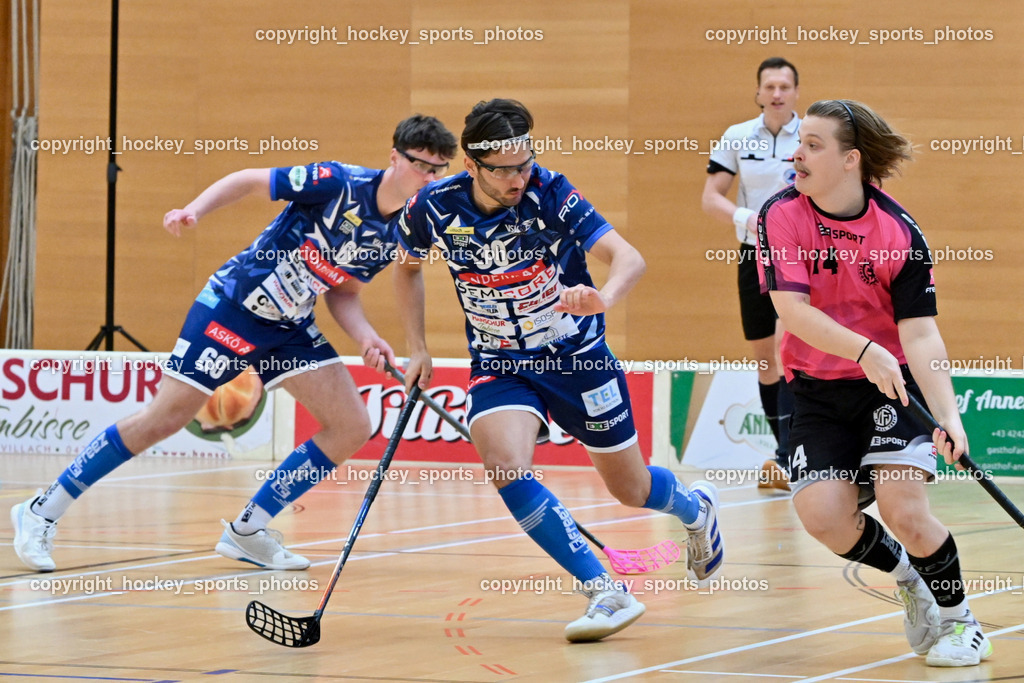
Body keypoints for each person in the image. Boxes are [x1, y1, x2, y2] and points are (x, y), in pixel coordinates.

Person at [11, 115, 457, 573]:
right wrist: (195, 210)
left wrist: (367, 337)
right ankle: (40, 511)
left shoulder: (402, 227)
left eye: (439, 170)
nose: (430, 178)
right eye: (421, 165)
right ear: (394, 157)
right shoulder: (338, 182)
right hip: (231, 306)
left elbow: (342, 292)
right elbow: (248, 180)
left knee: (350, 425)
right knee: (164, 419)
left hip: (288, 326)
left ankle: (247, 531)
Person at [393, 98, 725, 643]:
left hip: (577, 360)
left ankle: (695, 508)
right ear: (472, 166)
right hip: (501, 362)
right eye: (504, 169)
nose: (518, 178)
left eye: (525, 163)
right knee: (504, 463)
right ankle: (605, 590)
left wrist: (603, 296)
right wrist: (417, 346)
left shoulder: (552, 192)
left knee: (632, 489)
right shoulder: (434, 206)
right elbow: (406, 269)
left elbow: (629, 258)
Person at [757, 99, 991, 667]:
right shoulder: (781, 215)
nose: (797, 153)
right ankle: (910, 579)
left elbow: (921, 333)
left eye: (813, 144)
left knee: (903, 507)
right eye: (798, 141)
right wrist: (864, 350)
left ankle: (962, 623)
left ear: (850, 160)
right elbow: (792, 310)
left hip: (892, 385)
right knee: (823, 517)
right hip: (817, 385)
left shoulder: (898, 232)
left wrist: (951, 419)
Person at [702, 57, 801, 490]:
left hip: (798, 256)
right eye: (769, 87)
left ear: (796, 92)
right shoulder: (737, 136)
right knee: (766, 361)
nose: (777, 93)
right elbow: (711, 198)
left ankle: (800, 451)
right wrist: (750, 218)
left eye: (784, 86)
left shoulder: (812, 135)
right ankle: (784, 456)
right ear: (758, 93)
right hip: (752, 254)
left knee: (790, 350)